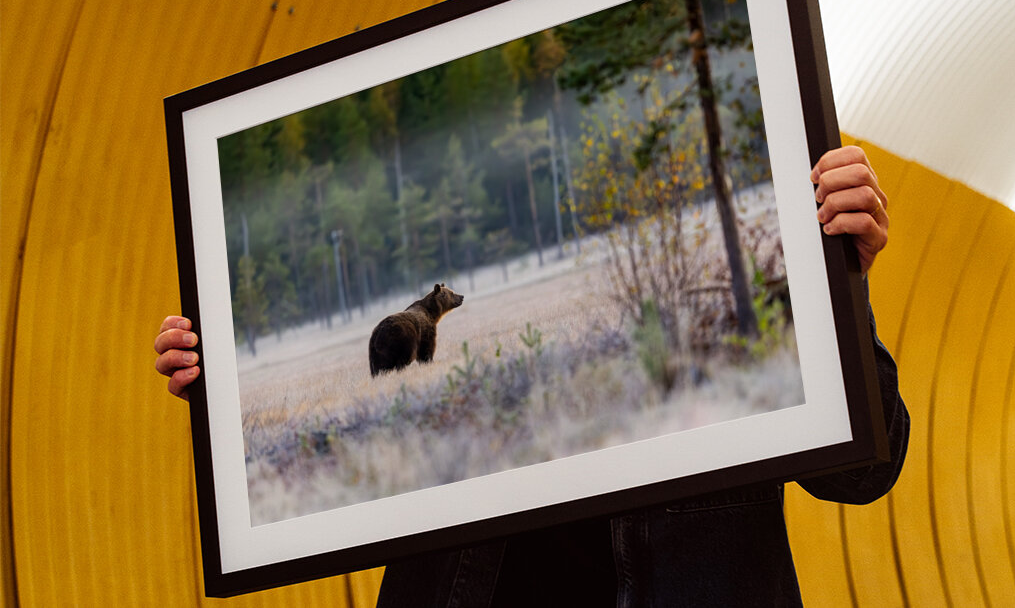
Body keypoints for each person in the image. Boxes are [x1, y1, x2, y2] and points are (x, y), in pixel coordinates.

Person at [154, 146, 909, 606]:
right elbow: (371, 444)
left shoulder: (756, 284)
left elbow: (866, 471)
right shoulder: (468, 375)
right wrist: (228, 400)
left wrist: (839, 280)